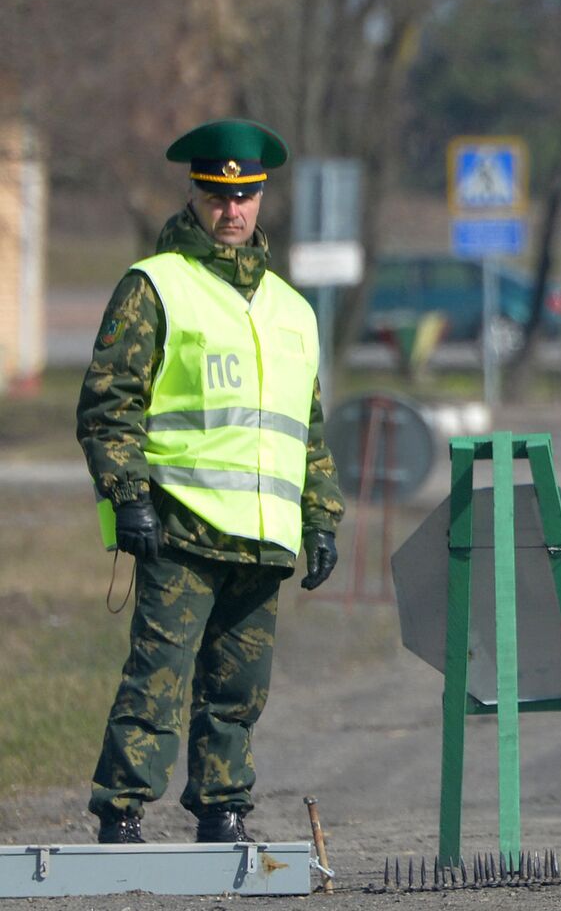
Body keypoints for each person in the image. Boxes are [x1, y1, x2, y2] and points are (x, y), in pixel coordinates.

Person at [77, 119, 344, 845]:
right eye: (218, 193)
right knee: (158, 681)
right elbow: (109, 404)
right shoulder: (156, 286)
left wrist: (321, 518)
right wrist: (127, 497)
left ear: (263, 197)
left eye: (247, 194)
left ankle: (223, 810)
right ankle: (122, 810)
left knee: (238, 693)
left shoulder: (293, 308)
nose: (233, 209)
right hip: (180, 525)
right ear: (195, 193)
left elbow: (307, 428)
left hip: (262, 537)